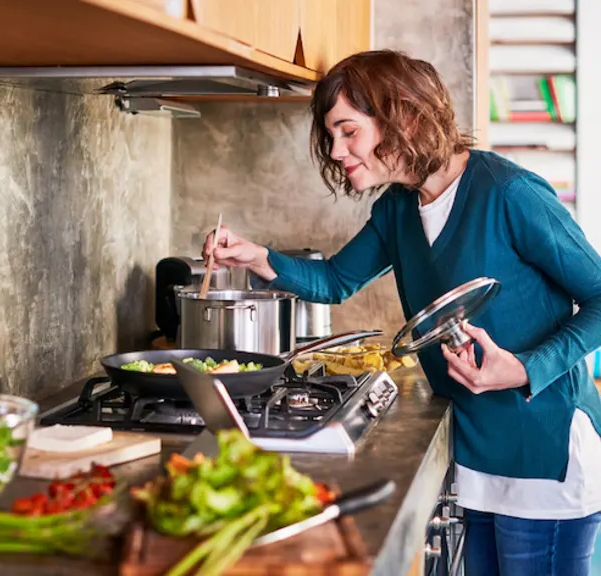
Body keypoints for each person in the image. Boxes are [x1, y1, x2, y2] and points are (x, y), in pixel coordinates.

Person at [202, 50, 601, 576]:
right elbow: (336, 280)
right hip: (477, 449)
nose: (338, 151)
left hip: (545, 450)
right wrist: (256, 257)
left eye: (349, 131)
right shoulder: (397, 209)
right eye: (332, 137)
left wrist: (526, 367)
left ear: (403, 116)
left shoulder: (509, 193)